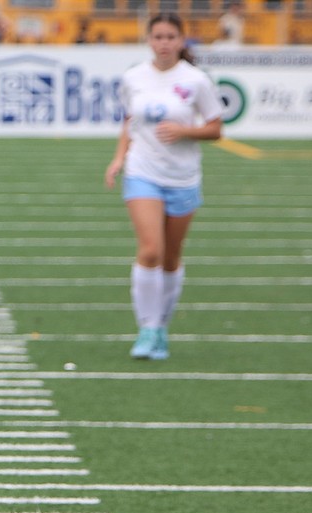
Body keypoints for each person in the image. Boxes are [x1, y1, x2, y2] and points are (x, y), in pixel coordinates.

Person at [104, 13, 223, 360]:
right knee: (151, 250)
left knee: (171, 258)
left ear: (182, 40)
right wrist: (118, 159)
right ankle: (147, 328)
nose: (164, 43)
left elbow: (216, 128)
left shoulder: (197, 80)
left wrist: (186, 130)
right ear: (148, 40)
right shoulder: (133, 78)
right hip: (142, 171)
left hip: (183, 177)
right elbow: (130, 121)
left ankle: (161, 328)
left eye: (171, 36)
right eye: (158, 36)